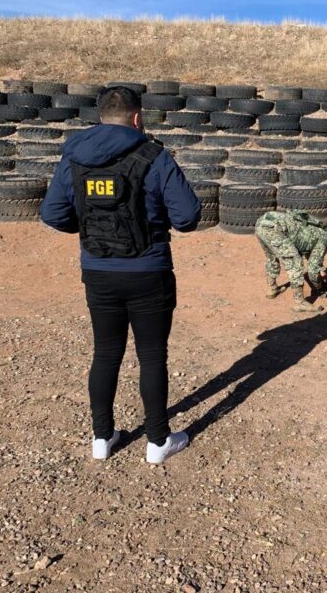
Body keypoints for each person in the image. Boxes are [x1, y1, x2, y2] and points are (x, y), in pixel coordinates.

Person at [40, 86, 200, 465]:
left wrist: (91, 230)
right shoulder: (154, 156)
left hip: (98, 270)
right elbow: (188, 218)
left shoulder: (74, 157)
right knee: (152, 355)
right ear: (137, 118)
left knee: (106, 353)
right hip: (149, 271)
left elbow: (52, 214)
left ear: (100, 118)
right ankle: (158, 441)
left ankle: (102, 437)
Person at [254, 210, 327, 312]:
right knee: (295, 262)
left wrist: (320, 268)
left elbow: (309, 251)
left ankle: (272, 288)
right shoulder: (324, 239)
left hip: (262, 223)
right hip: (275, 230)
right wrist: (320, 287)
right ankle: (300, 303)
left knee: (272, 257)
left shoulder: (317, 227)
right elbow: (312, 271)